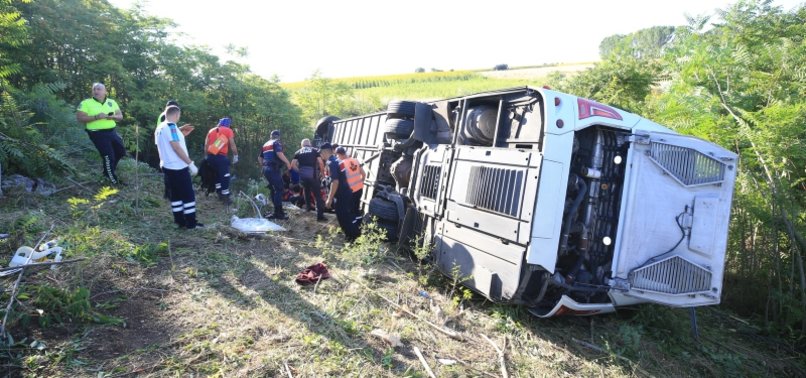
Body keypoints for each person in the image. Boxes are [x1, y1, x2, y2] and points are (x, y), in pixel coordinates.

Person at [155, 106, 202, 229]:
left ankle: (180, 221)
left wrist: (181, 132)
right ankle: (191, 224)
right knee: (188, 196)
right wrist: (190, 164)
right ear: (177, 115)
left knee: (176, 195)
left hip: (166, 166)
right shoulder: (171, 127)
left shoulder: (160, 127)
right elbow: (176, 147)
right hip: (178, 167)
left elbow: (166, 142)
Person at [75, 83, 125, 185]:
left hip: (112, 131)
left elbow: (120, 117)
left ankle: (108, 172)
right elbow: (80, 118)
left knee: (120, 151)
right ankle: (113, 181)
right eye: (94, 89)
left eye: (98, 89)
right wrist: (96, 117)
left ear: (105, 91)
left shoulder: (112, 102)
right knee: (108, 156)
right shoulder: (86, 103)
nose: (96, 91)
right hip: (97, 134)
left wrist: (112, 117)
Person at [321, 143, 361, 241]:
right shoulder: (337, 160)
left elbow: (335, 181)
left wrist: (329, 199)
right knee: (344, 216)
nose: (320, 155)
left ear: (325, 152)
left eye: (321, 153)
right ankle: (351, 235)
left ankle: (353, 237)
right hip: (346, 192)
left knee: (343, 217)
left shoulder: (331, 163)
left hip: (341, 194)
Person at [156, 100, 194, 199]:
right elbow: (168, 132)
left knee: (168, 172)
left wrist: (180, 131)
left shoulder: (164, 118)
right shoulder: (165, 118)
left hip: (165, 148)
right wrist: (190, 163)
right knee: (171, 173)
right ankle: (170, 194)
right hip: (169, 152)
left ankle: (170, 194)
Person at [204, 117, 239, 204]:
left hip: (210, 156)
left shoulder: (211, 130)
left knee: (216, 176)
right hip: (220, 157)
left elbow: (206, 144)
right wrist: (236, 155)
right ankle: (225, 198)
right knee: (225, 176)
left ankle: (219, 193)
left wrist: (206, 156)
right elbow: (232, 144)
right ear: (228, 124)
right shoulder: (228, 130)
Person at [259, 129, 291, 220]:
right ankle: (278, 213)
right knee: (279, 189)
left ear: (270, 136)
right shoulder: (276, 143)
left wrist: (263, 166)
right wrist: (288, 163)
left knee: (273, 190)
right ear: (278, 136)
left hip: (266, 169)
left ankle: (277, 211)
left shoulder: (265, 144)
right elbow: (279, 153)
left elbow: (259, 157)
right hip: (273, 169)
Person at [291, 139, 326, 221]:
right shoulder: (314, 150)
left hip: (303, 177)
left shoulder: (298, 152)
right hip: (313, 176)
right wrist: (322, 174)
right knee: (318, 195)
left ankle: (308, 209)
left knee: (306, 190)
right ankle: (320, 216)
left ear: (302, 145)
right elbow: (320, 163)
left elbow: (293, 165)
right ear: (309, 144)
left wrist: (299, 171)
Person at [335, 146, 366, 218]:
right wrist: (361, 182)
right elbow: (364, 174)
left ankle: (352, 226)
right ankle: (359, 224)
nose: (337, 157)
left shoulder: (342, 164)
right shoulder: (356, 160)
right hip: (359, 189)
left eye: (337, 155)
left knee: (350, 210)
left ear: (339, 154)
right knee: (356, 209)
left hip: (350, 191)